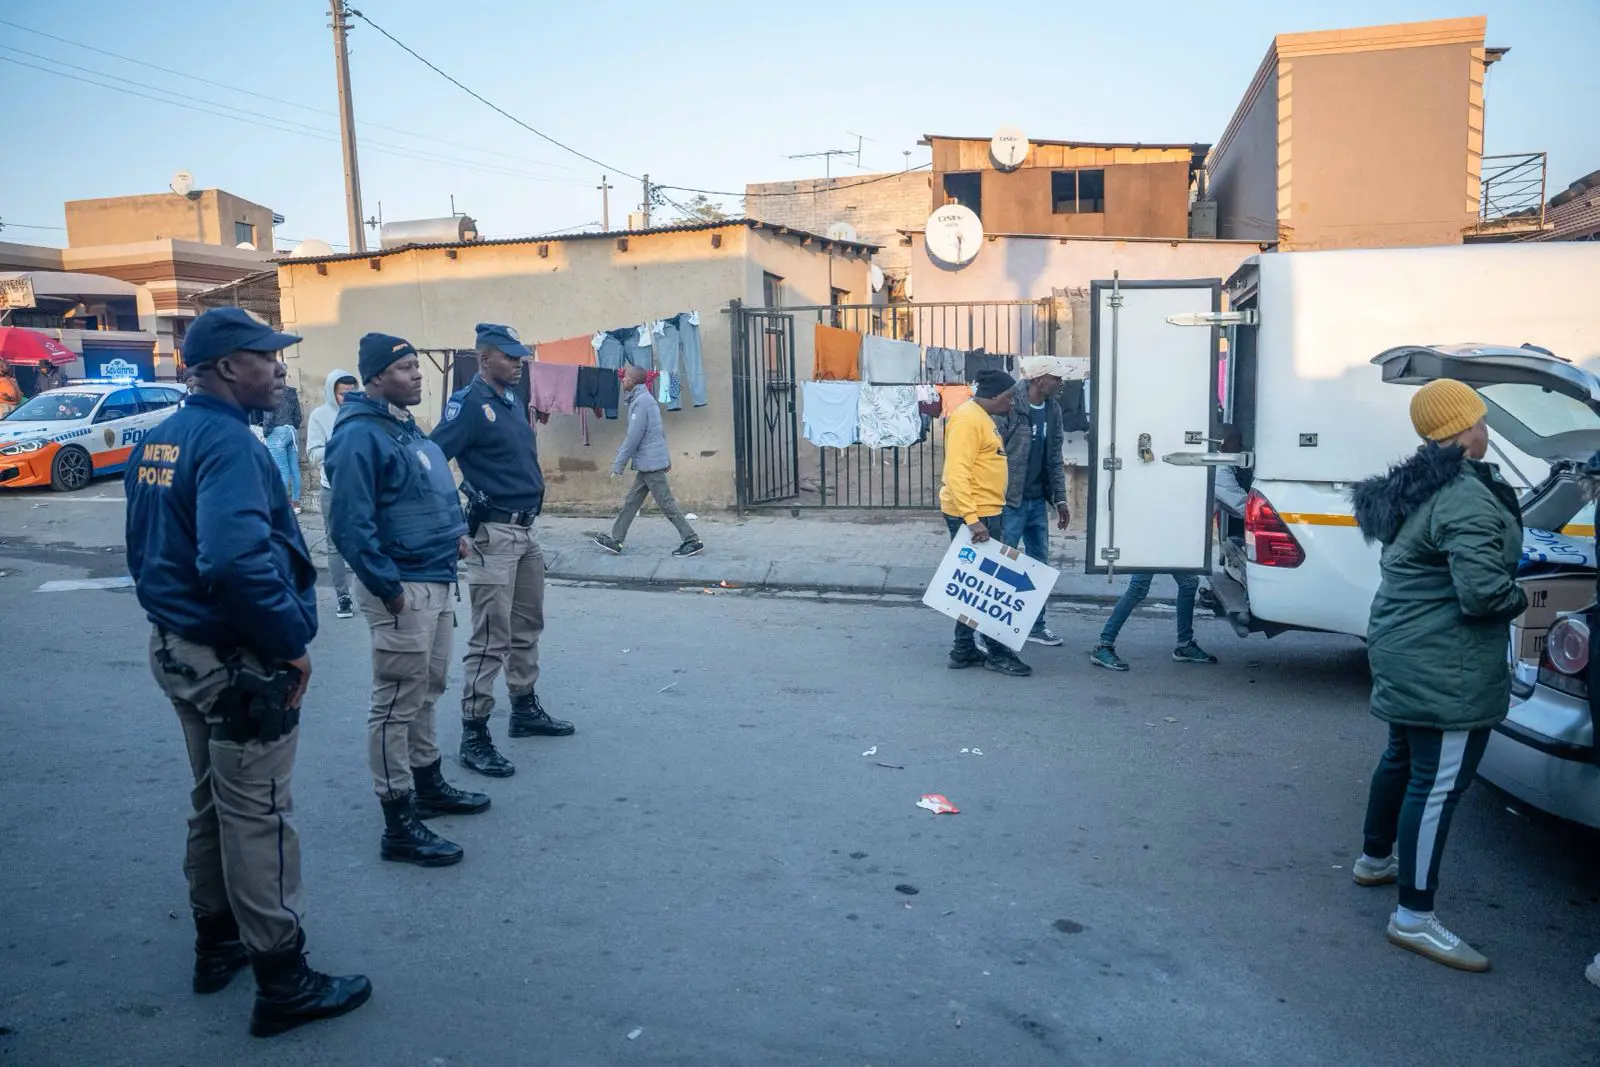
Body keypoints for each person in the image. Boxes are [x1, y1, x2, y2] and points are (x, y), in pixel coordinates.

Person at [123, 307, 370, 1038]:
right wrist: (290, 640)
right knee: (258, 814)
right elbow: (233, 562)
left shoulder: (160, 437)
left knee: (214, 801)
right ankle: (283, 979)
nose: (279, 369)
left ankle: (217, 943)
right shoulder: (230, 443)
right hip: (234, 660)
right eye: (268, 356)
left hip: (178, 647)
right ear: (229, 366)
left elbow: (145, 552)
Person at [1347, 379, 1525, 972]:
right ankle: (1414, 919)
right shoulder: (1464, 496)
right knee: (1438, 783)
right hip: (1442, 658)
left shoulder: (1420, 485)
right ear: (1462, 428)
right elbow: (1481, 594)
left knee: (1401, 756)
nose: (1487, 429)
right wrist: (1524, 598)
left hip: (1404, 645)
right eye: (1480, 419)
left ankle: (1375, 860)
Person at [327, 333, 489, 868]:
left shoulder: (399, 425)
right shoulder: (358, 437)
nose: (417, 376)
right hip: (402, 586)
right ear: (376, 376)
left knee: (427, 686)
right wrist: (388, 589)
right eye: (405, 368)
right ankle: (398, 821)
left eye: (418, 366)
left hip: (435, 575)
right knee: (396, 700)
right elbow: (350, 525)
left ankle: (428, 784)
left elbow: (417, 494)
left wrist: (454, 537)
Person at [431, 323, 574, 778]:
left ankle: (524, 709)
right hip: (493, 534)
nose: (518, 363)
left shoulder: (510, 401)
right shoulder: (469, 405)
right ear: (485, 357)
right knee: (490, 636)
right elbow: (432, 462)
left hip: (525, 532)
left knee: (527, 626)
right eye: (509, 357)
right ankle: (474, 733)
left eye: (519, 357)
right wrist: (453, 523)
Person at [938, 369, 1032, 677]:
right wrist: (972, 520)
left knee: (974, 584)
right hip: (976, 515)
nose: (1012, 401)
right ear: (993, 396)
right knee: (988, 586)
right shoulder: (967, 419)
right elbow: (956, 473)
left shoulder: (980, 417)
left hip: (985, 511)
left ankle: (963, 649)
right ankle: (997, 652)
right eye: (1008, 396)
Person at [996, 357, 1072, 647]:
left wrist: (1061, 499)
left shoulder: (1052, 409)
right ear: (1041, 379)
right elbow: (994, 450)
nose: (1062, 383)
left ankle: (1036, 625)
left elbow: (1054, 456)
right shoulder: (1010, 403)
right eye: (1057, 378)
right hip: (1009, 501)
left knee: (1038, 566)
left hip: (1037, 501)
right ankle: (993, 628)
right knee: (1003, 565)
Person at [592, 365, 704, 557]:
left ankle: (692, 540)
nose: (622, 380)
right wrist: (666, 458)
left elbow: (633, 437)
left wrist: (618, 465)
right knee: (631, 502)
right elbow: (658, 432)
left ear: (634, 380)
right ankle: (616, 540)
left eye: (625, 377)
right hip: (648, 463)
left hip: (650, 464)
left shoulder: (642, 402)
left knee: (666, 504)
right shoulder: (643, 400)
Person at [307, 368, 358, 618]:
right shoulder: (320, 416)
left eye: (351, 392)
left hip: (362, 489)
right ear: (331, 393)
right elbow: (313, 453)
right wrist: (338, 445)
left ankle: (372, 590)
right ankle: (343, 596)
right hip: (333, 488)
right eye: (342, 394)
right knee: (335, 544)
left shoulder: (363, 413)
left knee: (367, 539)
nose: (347, 398)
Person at [260, 377, 303, 514]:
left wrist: (266, 433)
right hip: (291, 430)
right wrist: (291, 427)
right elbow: (298, 416)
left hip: (276, 432)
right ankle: (296, 504)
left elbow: (268, 416)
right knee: (294, 470)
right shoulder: (291, 391)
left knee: (281, 470)